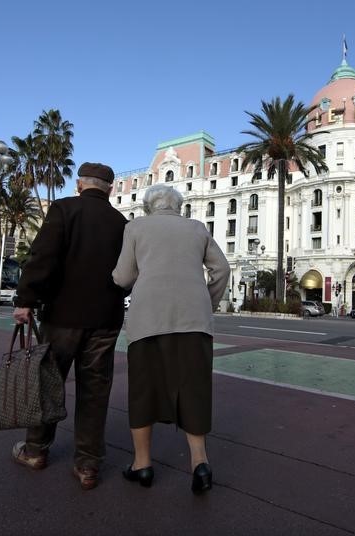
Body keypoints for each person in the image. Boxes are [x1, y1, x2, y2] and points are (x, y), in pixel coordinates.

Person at [11, 162, 127, 491]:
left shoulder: (64, 209)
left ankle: (35, 451)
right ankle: (88, 465)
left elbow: (42, 256)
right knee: (95, 390)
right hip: (105, 319)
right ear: (110, 189)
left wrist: (26, 300)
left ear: (79, 184)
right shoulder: (121, 222)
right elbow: (129, 272)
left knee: (49, 382)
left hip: (61, 316)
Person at [112, 184, 229, 494]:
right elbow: (222, 269)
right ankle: (200, 463)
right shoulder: (197, 228)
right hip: (194, 320)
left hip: (148, 319)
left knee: (142, 389)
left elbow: (123, 278)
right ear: (179, 205)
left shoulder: (135, 227)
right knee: (195, 388)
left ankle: (142, 465)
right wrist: (207, 302)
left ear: (149, 206)